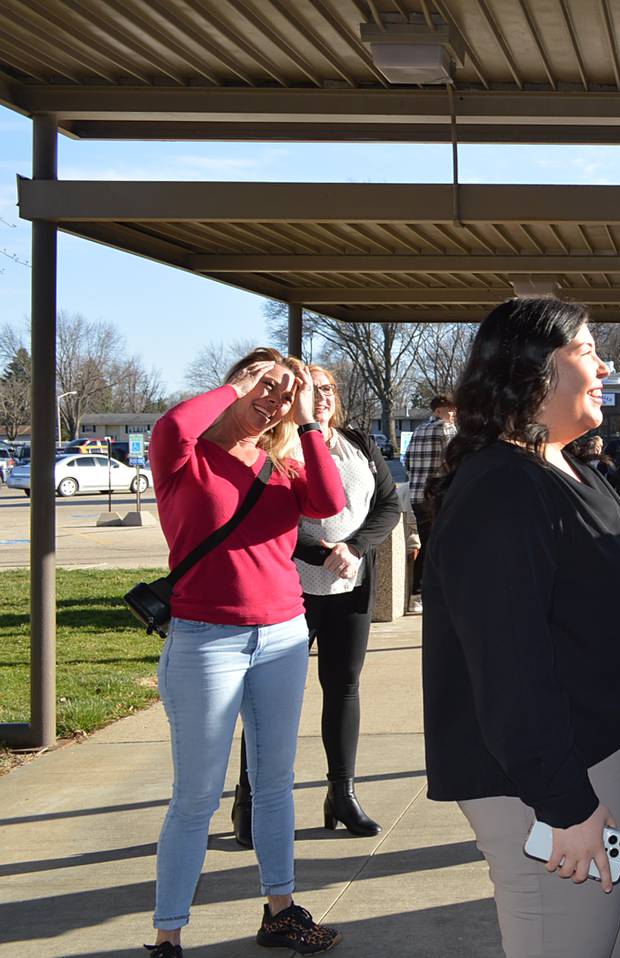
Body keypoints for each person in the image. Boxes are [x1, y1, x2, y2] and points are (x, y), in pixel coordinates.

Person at [421, 298, 620, 958]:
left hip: (614, 757)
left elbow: (561, 601)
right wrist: (565, 806)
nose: (605, 365)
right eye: (586, 351)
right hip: (556, 785)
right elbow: (506, 663)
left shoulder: (567, 465)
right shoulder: (500, 487)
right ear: (535, 373)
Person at [145, 347, 346, 958]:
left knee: (275, 783)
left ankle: (280, 910)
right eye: (267, 385)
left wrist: (308, 420)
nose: (274, 400)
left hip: (283, 635)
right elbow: (176, 423)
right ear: (238, 381)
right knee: (197, 797)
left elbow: (331, 504)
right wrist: (243, 387)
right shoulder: (184, 456)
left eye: (286, 393)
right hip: (206, 639)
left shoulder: (281, 466)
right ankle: (168, 935)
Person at [230, 365, 403, 846]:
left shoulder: (358, 443)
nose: (320, 397)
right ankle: (249, 800)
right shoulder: (276, 445)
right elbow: (270, 520)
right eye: (310, 391)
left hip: (351, 585)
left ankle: (341, 794)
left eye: (326, 389)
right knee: (271, 699)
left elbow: (388, 505)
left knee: (343, 687)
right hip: (291, 586)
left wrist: (354, 548)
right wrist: (321, 554)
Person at [401, 393, 457, 614]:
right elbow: (455, 461)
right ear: (438, 410)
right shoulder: (446, 429)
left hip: (417, 496)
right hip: (439, 496)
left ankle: (417, 594)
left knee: (426, 544)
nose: (454, 414)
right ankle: (433, 593)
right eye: (450, 409)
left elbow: (406, 463)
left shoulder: (419, 430)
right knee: (442, 546)